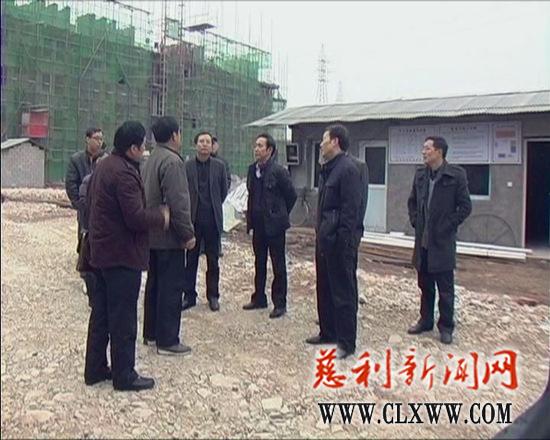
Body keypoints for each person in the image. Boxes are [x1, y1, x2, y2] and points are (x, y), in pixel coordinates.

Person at [85, 121, 169, 391]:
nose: (144, 149)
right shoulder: (124, 173)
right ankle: (124, 375)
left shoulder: (105, 165)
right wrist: (162, 216)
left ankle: (95, 369)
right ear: (132, 148)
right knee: (123, 319)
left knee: (101, 315)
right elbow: (135, 217)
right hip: (121, 256)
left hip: (101, 253)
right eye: (142, 145)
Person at [406, 136, 472, 345]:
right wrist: (416, 220)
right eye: (423, 148)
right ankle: (425, 321)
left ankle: (446, 327)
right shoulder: (421, 175)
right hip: (423, 241)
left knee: (445, 289)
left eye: (427, 148)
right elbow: (412, 201)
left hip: (442, 242)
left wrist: (448, 225)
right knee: (425, 285)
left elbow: (465, 207)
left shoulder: (456, 175)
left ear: (439, 152)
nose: (423, 152)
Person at [305, 124, 362, 359]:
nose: (321, 144)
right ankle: (327, 332)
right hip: (325, 240)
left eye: (324, 140)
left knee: (343, 293)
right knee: (325, 289)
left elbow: (350, 212)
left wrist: (343, 241)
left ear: (335, 142)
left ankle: (346, 342)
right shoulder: (329, 168)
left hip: (339, 243)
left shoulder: (348, 169)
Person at [141, 116, 195, 355]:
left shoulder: (151, 158)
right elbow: (178, 202)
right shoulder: (173, 162)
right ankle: (168, 340)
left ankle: (151, 334)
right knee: (170, 289)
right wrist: (187, 233)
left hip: (151, 233)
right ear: (174, 135)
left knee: (154, 285)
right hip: (169, 236)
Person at [242, 133, 297, 319]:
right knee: (259, 262)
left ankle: (280, 303)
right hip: (258, 226)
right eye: (255, 145)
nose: (256, 149)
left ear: (270, 150)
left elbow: (291, 195)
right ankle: (259, 298)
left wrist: (279, 213)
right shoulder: (252, 170)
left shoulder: (279, 171)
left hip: (275, 227)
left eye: (260, 146)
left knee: (278, 265)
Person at [182, 131, 228, 312]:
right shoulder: (187, 166)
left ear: (212, 146)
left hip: (212, 220)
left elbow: (223, 191)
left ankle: (213, 295)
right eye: (201, 141)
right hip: (193, 220)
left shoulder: (219, 166)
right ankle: (189, 295)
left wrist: (214, 205)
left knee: (213, 261)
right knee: (191, 260)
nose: (204, 144)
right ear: (195, 145)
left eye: (208, 142)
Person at [65, 127, 108, 301]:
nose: (99, 141)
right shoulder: (77, 160)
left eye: (101, 138)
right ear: (87, 139)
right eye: (96, 138)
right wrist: (80, 206)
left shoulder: (106, 159)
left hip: (103, 212)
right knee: (84, 240)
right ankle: (86, 275)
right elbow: (71, 185)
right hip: (85, 210)